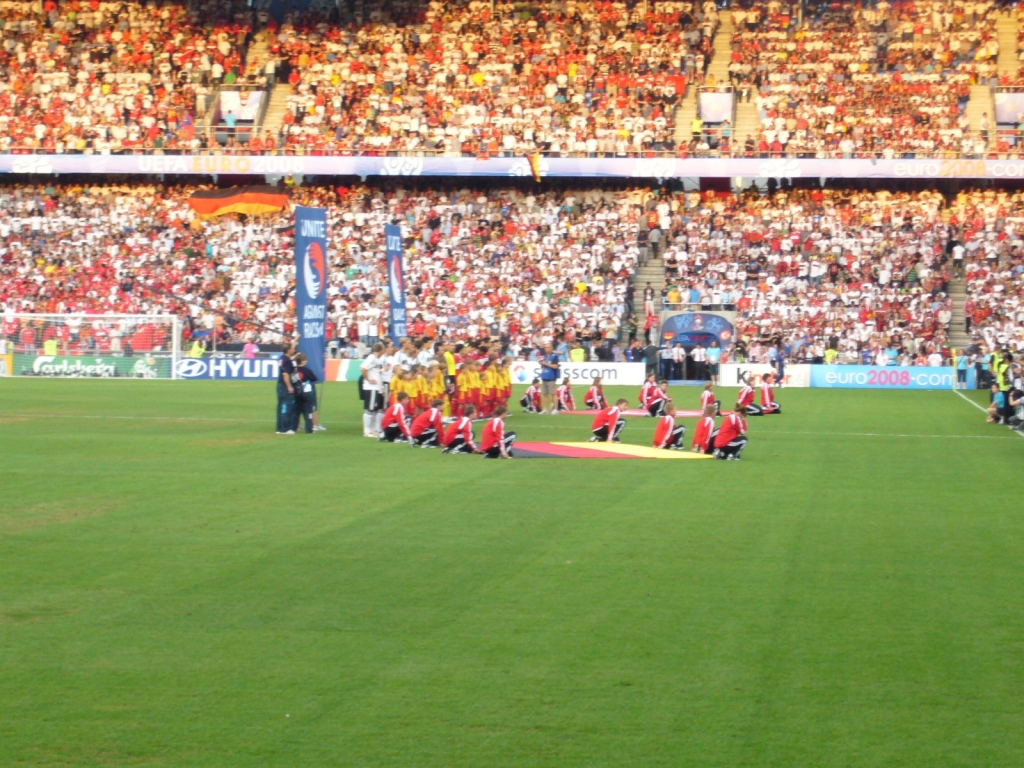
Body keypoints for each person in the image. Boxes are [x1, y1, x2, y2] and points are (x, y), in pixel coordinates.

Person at [360, 342, 387, 437]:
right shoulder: (371, 358)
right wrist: (368, 379)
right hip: (371, 387)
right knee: (370, 409)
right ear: (380, 350)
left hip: (377, 388)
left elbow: (377, 373)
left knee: (375, 409)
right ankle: (367, 431)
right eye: (383, 350)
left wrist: (381, 387)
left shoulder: (377, 360)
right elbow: (363, 368)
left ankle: (372, 430)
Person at [293, 353, 324, 433]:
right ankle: (310, 428)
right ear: (302, 361)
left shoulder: (294, 371)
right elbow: (314, 378)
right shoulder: (307, 370)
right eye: (305, 360)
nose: (306, 361)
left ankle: (294, 428)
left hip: (297, 392)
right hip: (307, 392)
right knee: (308, 411)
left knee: (297, 410)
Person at [276, 343, 297, 435]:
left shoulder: (282, 358)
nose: (293, 349)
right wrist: (289, 386)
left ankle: (279, 428)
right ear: (288, 350)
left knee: (280, 407)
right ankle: (286, 428)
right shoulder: (287, 361)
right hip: (285, 386)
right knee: (287, 406)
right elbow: (285, 374)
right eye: (292, 348)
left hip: (280, 385)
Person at [539, 342, 561, 414]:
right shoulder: (544, 356)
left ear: (551, 348)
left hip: (551, 377)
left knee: (553, 394)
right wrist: (541, 363)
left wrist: (545, 364)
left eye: (548, 347)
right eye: (545, 347)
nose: (546, 349)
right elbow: (543, 366)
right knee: (545, 394)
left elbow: (555, 366)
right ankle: (545, 409)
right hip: (544, 376)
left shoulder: (554, 356)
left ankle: (555, 409)